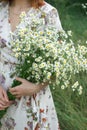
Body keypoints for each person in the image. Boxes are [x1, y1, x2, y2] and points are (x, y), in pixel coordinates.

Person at [0, 0, 62, 129]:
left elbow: (58, 62)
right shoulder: (1, 8)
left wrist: (36, 87)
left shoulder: (47, 13)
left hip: (30, 99)